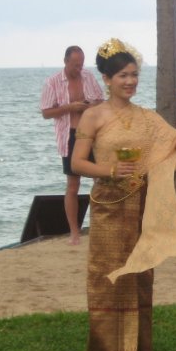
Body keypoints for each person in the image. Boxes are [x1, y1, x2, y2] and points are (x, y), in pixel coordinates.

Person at [71, 38, 176, 351]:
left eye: (134, 75)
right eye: (122, 76)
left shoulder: (147, 117)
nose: (130, 81)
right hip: (108, 206)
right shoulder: (93, 116)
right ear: (107, 79)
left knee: (140, 276)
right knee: (106, 278)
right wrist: (110, 170)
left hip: (142, 205)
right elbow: (77, 163)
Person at [40, 46, 104, 245]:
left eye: (81, 64)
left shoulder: (88, 77)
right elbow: (46, 112)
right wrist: (70, 107)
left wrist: (89, 106)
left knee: (99, 181)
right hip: (70, 134)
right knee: (73, 184)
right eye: (75, 65)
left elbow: (101, 101)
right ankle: (74, 232)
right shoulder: (52, 82)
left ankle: (99, 226)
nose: (79, 68)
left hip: (90, 134)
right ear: (66, 62)